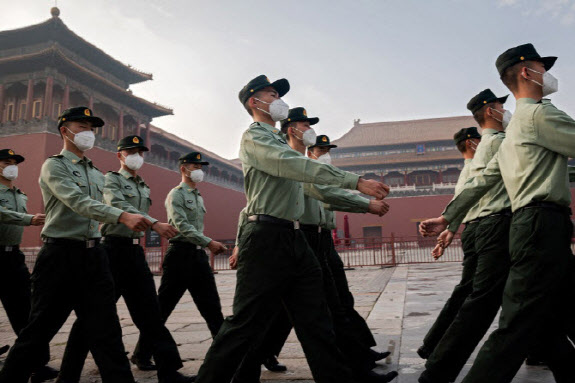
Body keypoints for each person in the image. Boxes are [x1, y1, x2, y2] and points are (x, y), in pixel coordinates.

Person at [194, 75, 390, 383]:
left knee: (317, 319)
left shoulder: (278, 143)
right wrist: (355, 181)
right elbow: (291, 166)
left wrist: (360, 201)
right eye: (270, 94)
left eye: (278, 94)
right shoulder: (255, 138)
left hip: (295, 238)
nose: (277, 99)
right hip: (266, 238)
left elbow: (315, 188)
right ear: (253, 102)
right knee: (245, 323)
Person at [419, 43, 575, 383]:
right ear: (526, 72)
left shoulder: (517, 126)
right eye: (542, 68)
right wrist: (450, 219)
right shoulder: (538, 114)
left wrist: (448, 217)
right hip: (541, 223)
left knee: (551, 313)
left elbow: (486, 179)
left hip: (532, 224)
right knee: (517, 322)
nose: (547, 75)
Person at [0, 107, 151, 383]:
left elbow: (109, 203)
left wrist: (139, 218)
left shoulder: (95, 173)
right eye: (81, 127)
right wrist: (122, 216)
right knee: (38, 331)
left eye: (90, 128)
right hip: (60, 257)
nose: (87, 133)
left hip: (94, 256)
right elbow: (78, 202)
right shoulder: (54, 166)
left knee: (108, 332)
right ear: (64, 131)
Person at [56, 135, 194, 383]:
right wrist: (154, 223)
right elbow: (118, 205)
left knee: (151, 312)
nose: (136, 156)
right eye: (131, 151)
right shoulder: (111, 180)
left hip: (134, 252)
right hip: (111, 252)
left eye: (140, 152)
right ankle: (68, 375)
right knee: (94, 315)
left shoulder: (142, 185)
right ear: (120, 155)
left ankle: (169, 370)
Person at [418, 90, 515, 383]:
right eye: (499, 105)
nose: (503, 109)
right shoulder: (497, 143)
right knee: (482, 300)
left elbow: (467, 192)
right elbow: (479, 188)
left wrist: (449, 226)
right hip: (493, 225)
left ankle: (434, 352)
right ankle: (438, 364)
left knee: (482, 296)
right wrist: (449, 223)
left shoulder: (472, 162)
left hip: (480, 226)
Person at [133, 151, 227, 366]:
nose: (199, 171)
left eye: (200, 167)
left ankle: (225, 355)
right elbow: (181, 226)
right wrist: (208, 242)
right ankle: (142, 354)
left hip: (197, 256)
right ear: (183, 168)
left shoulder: (197, 195)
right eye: (195, 167)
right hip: (179, 257)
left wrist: (203, 245)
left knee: (212, 308)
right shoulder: (176, 194)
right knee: (162, 308)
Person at [416, 127, 482, 360]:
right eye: (480, 139)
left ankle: (433, 344)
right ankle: (436, 348)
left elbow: (463, 200)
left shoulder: (466, 171)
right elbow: (470, 198)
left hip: (474, 230)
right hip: (483, 230)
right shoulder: (476, 167)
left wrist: (451, 229)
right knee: (472, 295)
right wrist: (449, 226)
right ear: (471, 142)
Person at [0, 148, 59, 383]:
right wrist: (28, 219)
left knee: (27, 312)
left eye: (15, 163)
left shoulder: (20, 194)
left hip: (13, 257)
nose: (12, 166)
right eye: (6, 162)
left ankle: (36, 364)